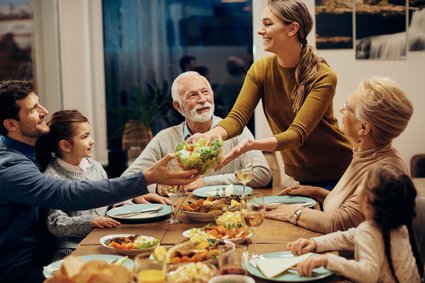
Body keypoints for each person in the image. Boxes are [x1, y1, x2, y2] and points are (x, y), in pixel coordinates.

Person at [0, 80, 197, 282]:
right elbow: (69, 193)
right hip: (19, 269)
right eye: (33, 109)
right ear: (11, 124)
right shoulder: (8, 166)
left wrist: (132, 193)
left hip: (44, 257)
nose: (44, 111)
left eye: (39, 103)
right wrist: (145, 178)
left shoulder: (35, 152)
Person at [189, 0, 352, 190]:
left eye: (268, 24)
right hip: (301, 174)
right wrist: (209, 136)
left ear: (292, 29)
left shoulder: (323, 76)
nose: (260, 30)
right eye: (261, 24)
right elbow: (236, 119)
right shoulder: (261, 70)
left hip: (339, 172)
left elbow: (296, 134)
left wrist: (252, 145)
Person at [265, 77, 413, 233]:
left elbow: (340, 223)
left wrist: (291, 213)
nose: (341, 111)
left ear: (364, 127)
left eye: (347, 108)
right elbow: (353, 209)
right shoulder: (367, 154)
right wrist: (315, 192)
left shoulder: (384, 171)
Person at [36, 110, 164, 261]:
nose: (92, 141)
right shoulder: (50, 176)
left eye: (89, 135)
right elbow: (55, 223)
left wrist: (126, 203)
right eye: (85, 137)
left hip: (106, 240)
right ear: (65, 145)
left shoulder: (95, 167)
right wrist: (90, 222)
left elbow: (110, 200)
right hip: (72, 249)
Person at [122, 71, 271, 195]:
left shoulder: (236, 131)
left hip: (227, 212)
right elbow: (128, 180)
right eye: (192, 95)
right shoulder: (165, 138)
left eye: (205, 92)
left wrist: (205, 182)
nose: (202, 99)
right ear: (178, 107)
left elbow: (262, 174)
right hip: (180, 218)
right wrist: (158, 188)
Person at [287, 164, 423, 283]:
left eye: (361, 184)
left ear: (368, 202)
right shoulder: (398, 225)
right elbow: (347, 236)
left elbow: (367, 275)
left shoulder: (369, 230)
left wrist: (328, 261)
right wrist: (315, 243)